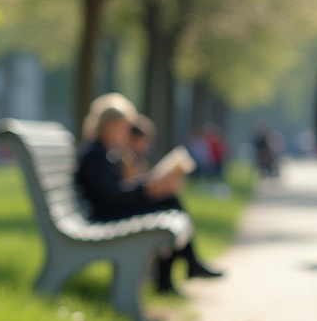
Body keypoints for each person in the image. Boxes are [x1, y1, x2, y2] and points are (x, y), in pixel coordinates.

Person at [74, 93, 222, 295]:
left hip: (107, 210)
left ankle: (178, 272)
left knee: (168, 200)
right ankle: (177, 272)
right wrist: (147, 186)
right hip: (104, 215)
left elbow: (114, 191)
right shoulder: (94, 154)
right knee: (167, 202)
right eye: (125, 127)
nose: (127, 134)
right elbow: (110, 198)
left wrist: (148, 183)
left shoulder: (104, 151)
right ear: (112, 125)